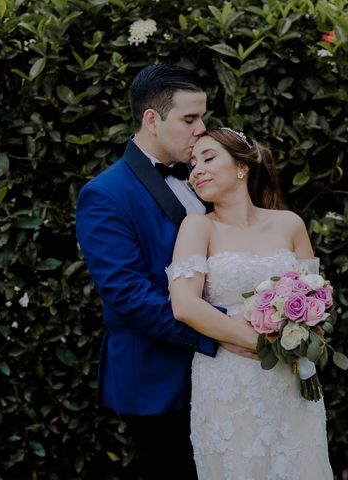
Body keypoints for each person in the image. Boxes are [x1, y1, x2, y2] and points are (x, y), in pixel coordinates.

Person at [75, 65, 257, 479]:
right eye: (190, 119)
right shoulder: (104, 194)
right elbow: (128, 295)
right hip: (158, 382)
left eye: (203, 117)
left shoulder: (206, 174)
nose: (201, 129)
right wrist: (223, 334)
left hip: (228, 375)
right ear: (152, 120)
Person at [167, 128, 334, 479]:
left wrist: (302, 334)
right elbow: (184, 305)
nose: (196, 170)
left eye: (208, 158)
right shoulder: (197, 227)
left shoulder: (290, 224)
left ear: (242, 166)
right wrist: (262, 341)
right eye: (192, 164)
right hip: (229, 377)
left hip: (290, 378)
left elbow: (318, 295)